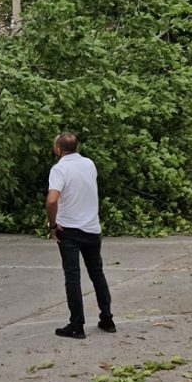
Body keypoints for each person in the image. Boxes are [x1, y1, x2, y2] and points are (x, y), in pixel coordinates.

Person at [45, 131, 114, 339]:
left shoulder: (59, 169)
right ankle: (107, 319)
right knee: (97, 273)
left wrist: (52, 224)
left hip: (69, 230)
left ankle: (77, 324)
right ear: (77, 147)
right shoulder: (89, 164)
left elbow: (51, 200)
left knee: (73, 276)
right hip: (92, 227)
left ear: (58, 149)